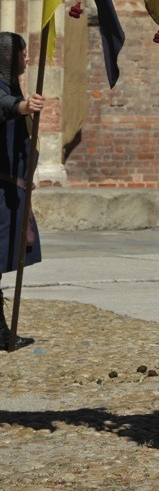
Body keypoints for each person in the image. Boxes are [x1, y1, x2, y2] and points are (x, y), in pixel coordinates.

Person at [0, 32, 45, 350]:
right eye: (23, 54)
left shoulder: (10, 85)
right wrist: (24, 105)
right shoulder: (3, 91)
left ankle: (1, 333)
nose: (27, 59)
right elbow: (4, 106)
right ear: (9, 57)